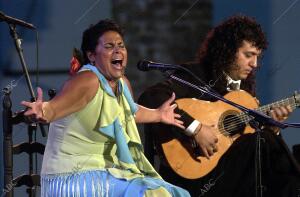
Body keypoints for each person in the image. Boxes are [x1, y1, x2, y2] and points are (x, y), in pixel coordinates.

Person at [21, 19, 190, 197]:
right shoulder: (87, 80)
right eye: (109, 46)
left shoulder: (122, 84)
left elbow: (128, 113)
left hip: (107, 173)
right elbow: (55, 108)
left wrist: (158, 114)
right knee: (151, 193)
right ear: (92, 55)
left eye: (121, 45)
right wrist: (42, 111)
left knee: (175, 193)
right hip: (72, 177)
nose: (118, 50)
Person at [138, 15, 300, 197]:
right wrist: (195, 128)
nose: (254, 64)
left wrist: (271, 127)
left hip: (232, 178)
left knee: (266, 141)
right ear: (229, 50)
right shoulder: (196, 75)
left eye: (257, 57)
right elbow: (151, 97)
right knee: (262, 142)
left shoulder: (245, 92)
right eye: (248, 55)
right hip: (194, 179)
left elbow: (244, 147)